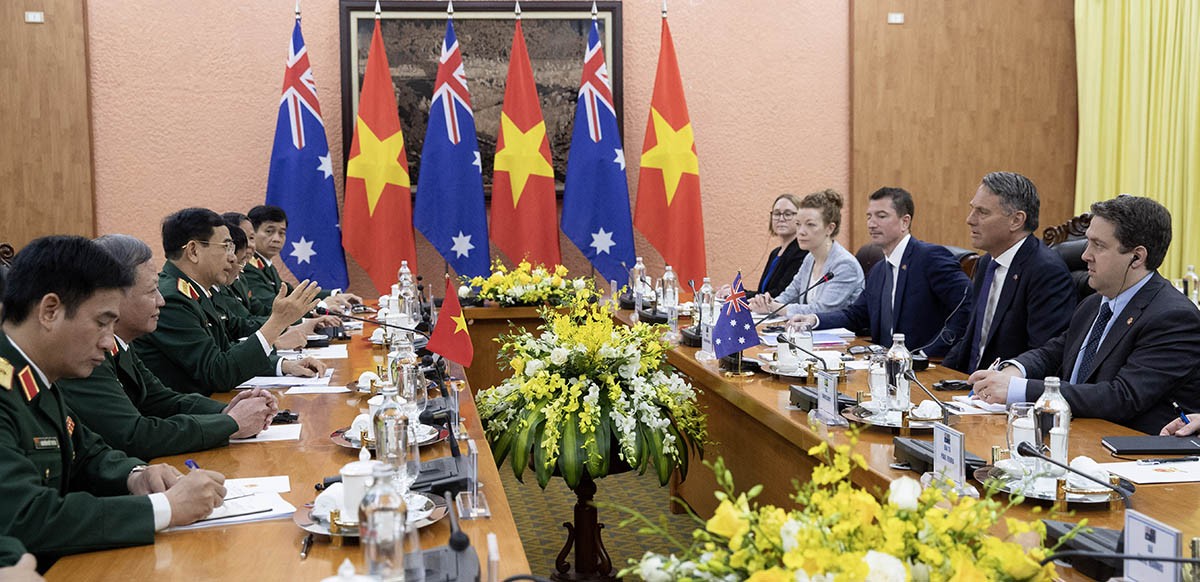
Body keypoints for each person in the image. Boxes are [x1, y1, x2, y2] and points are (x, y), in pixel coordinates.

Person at [0, 236, 226, 564]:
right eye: (102, 323)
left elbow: (88, 453)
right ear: (50, 311)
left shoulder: (37, 374)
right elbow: (25, 516)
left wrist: (135, 475)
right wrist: (165, 507)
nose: (109, 342)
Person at [970, 195, 1200, 434]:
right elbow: (1054, 353)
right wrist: (1015, 370)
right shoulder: (1094, 304)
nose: (1085, 255)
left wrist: (1019, 389)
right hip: (1074, 437)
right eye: (1087, 242)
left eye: (1098, 245)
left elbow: (1121, 397)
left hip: (1129, 454)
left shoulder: (1173, 317)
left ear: (1137, 257)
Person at [57, 235, 278, 459]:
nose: (161, 300)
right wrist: (230, 423)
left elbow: (162, 400)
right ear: (113, 296)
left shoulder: (120, 343)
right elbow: (134, 436)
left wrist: (227, 409)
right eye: (152, 291)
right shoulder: (85, 352)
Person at [133, 208, 326, 395]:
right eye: (226, 247)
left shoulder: (198, 292)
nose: (233, 257)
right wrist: (277, 322)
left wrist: (281, 365)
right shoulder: (172, 299)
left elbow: (226, 350)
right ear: (193, 251)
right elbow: (218, 372)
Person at [790, 187, 972, 356]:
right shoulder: (879, 270)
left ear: (904, 221)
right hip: (883, 365)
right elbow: (855, 315)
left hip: (924, 366)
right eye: (869, 216)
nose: (872, 223)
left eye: (881, 216)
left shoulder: (929, 258)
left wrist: (929, 352)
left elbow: (968, 303)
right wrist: (814, 320)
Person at [942, 172, 1076, 373]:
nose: (970, 220)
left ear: (1016, 220)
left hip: (1007, 395)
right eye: (972, 210)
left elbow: (1045, 355)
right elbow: (973, 340)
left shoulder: (1046, 271)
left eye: (982, 212)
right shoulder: (988, 261)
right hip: (967, 386)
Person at [749, 189, 863, 316]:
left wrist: (774, 307)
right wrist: (766, 303)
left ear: (830, 228)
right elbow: (789, 295)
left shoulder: (845, 264)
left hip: (842, 335)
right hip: (808, 332)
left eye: (810, 225)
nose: (801, 232)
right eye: (798, 224)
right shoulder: (810, 258)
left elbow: (823, 310)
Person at [242, 205, 360, 314]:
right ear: (253, 233)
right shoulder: (248, 266)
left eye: (281, 233)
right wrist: (322, 305)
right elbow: (271, 305)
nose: (277, 239)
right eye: (269, 231)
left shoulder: (266, 264)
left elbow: (292, 294)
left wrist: (334, 295)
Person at [752, 194, 808, 298]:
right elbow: (762, 293)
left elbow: (780, 294)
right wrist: (735, 293)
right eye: (777, 213)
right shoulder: (775, 253)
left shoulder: (802, 252)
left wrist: (742, 296)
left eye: (788, 214)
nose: (781, 219)